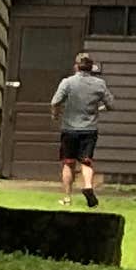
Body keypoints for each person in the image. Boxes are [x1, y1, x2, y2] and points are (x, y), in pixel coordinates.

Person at [50, 51, 111, 206]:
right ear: (91, 68)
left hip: (69, 129)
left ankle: (67, 198)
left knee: (68, 163)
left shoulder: (67, 82)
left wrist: (55, 115)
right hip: (89, 130)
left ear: (76, 66)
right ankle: (88, 186)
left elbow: (55, 102)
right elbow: (111, 105)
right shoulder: (99, 84)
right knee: (86, 162)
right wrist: (99, 109)